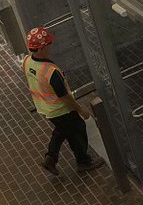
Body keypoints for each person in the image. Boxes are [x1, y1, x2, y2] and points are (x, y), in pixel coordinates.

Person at [23, 25, 104, 175]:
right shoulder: (50, 72)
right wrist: (80, 109)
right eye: (47, 44)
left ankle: (50, 159)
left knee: (61, 131)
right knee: (77, 130)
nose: (50, 46)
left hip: (45, 107)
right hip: (61, 109)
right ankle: (83, 162)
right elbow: (64, 96)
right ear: (40, 49)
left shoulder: (27, 61)